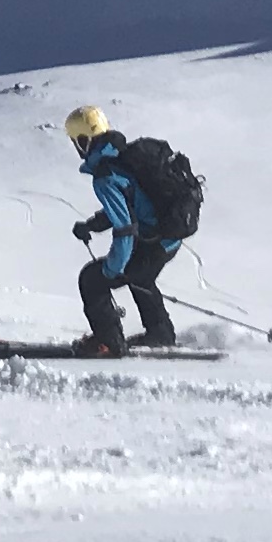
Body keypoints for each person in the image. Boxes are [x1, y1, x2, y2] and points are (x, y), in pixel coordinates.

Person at [63, 104, 182, 355]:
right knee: (140, 275)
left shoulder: (105, 175)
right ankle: (160, 333)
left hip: (155, 239)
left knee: (92, 279)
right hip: (168, 235)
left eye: (76, 141)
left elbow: (125, 228)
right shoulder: (120, 157)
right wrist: (92, 225)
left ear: (84, 141)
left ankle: (109, 343)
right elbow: (129, 205)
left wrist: (113, 269)